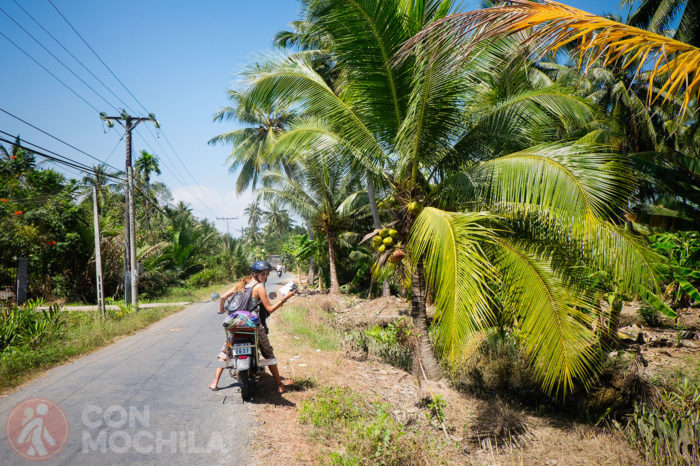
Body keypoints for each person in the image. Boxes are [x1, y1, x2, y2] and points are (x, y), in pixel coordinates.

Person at [209, 260, 296, 393]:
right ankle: (279, 385)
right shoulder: (259, 287)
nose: (265, 277)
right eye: (262, 274)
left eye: (267, 274)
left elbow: (223, 298)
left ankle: (215, 382)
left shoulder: (242, 284)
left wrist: (221, 310)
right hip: (253, 326)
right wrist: (285, 298)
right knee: (268, 353)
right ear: (255, 273)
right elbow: (269, 309)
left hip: (236, 324)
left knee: (225, 351)